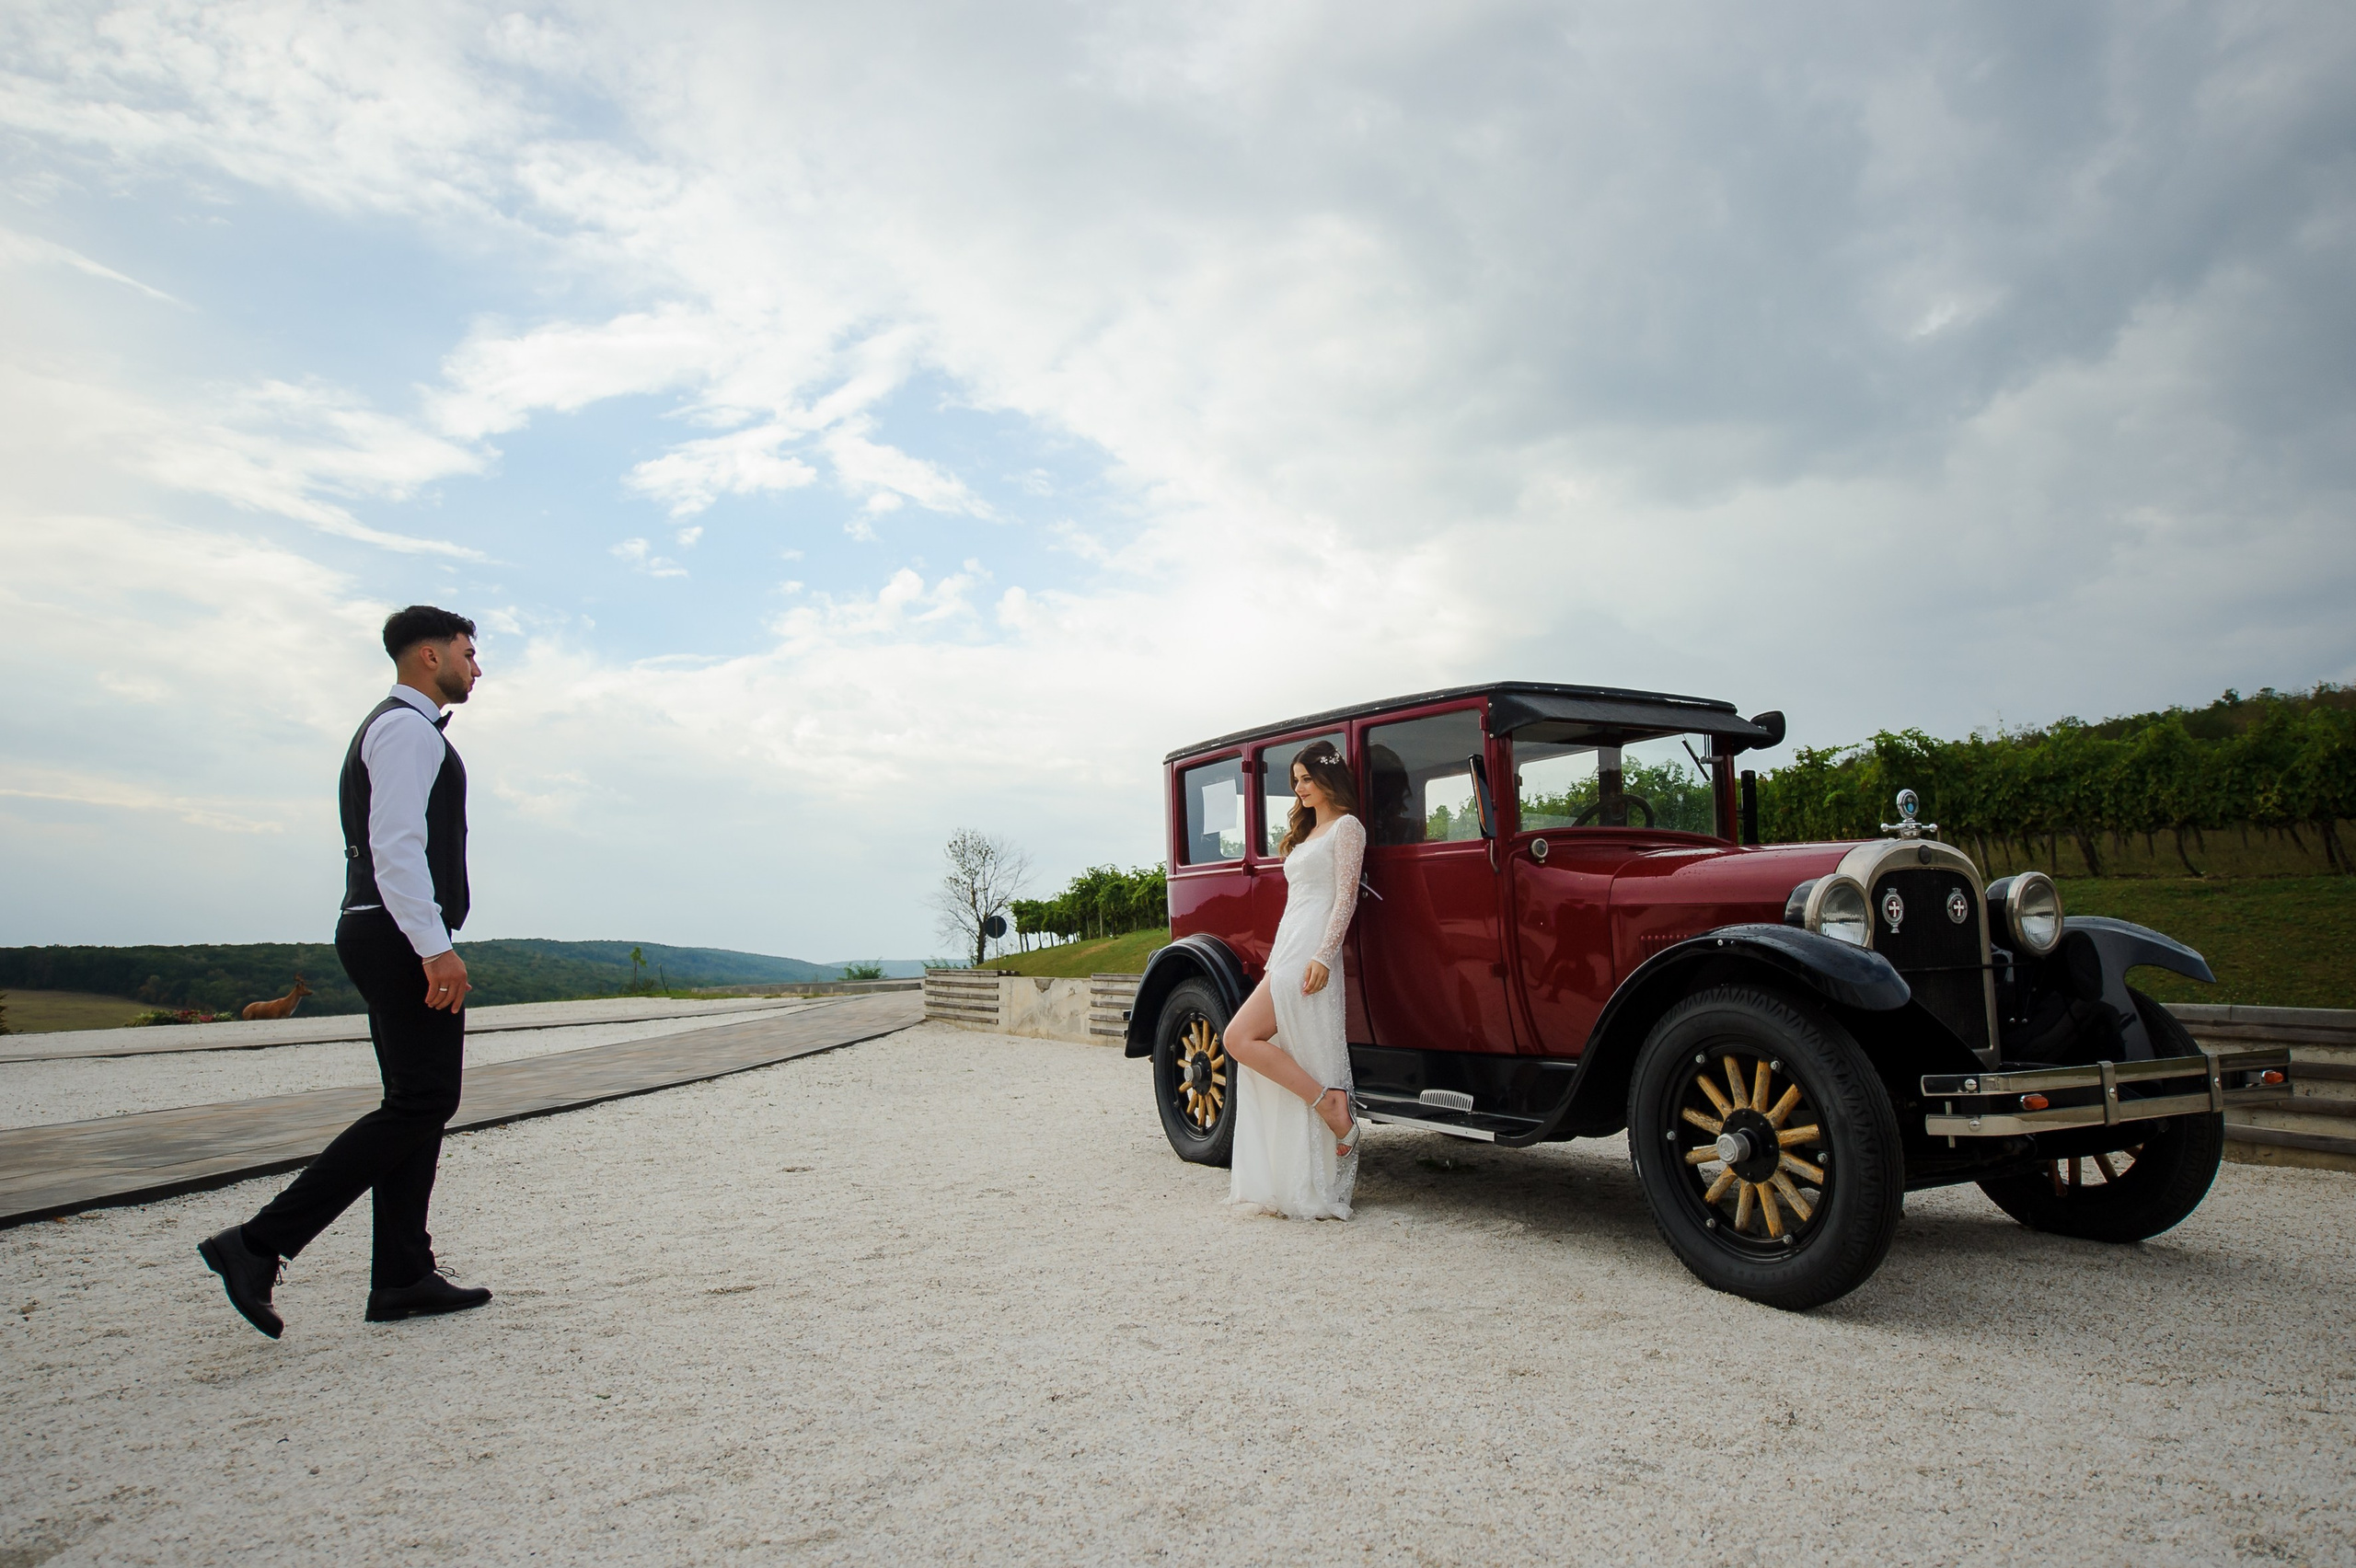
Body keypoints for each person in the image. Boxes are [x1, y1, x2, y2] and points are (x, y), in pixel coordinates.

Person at [198, 605, 493, 1337]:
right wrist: (433, 945)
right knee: (422, 1100)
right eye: (468, 652)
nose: (476, 667)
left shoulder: (399, 728)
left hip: (380, 929)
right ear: (428, 656)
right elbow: (395, 846)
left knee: (416, 1100)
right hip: (394, 934)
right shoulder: (404, 730)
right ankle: (257, 1243)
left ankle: (401, 1276)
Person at [1223, 741, 1367, 1220]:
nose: (1299, 788)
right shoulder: (1310, 833)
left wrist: (1324, 956)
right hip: (1288, 951)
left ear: (1328, 778)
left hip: (1312, 953)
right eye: (1296, 781)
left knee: (1238, 1037)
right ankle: (1323, 1108)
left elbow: (1345, 899)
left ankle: (1329, 1104)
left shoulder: (1347, 827)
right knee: (1260, 1040)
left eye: (1306, 778)